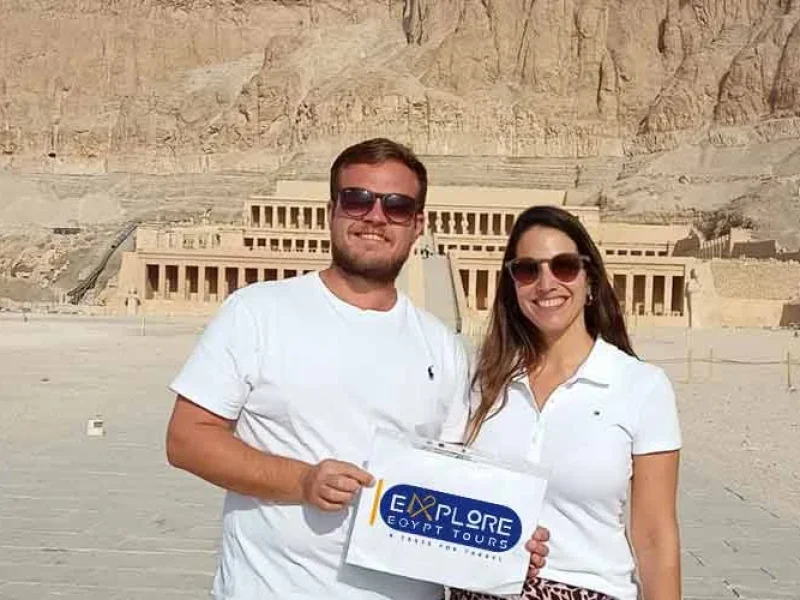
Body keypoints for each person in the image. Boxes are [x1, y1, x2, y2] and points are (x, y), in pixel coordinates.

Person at [165, 138, 548, 599]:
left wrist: (508, 541)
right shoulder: (257, 313)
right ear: (332, 210)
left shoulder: (443, 346)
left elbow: (452, 480)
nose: (375, 216)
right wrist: (302, 481)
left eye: (397, 205)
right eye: (358, 199)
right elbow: (187, 438)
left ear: (418, 224)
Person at [450, 206, 681, 600]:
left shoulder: (641, 386)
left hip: (588, 590)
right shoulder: (481, 381)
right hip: (480, 588)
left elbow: (655, 537)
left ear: (589, 280)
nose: (545, 283)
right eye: (527, 270)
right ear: (512, 285)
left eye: (564, 266)